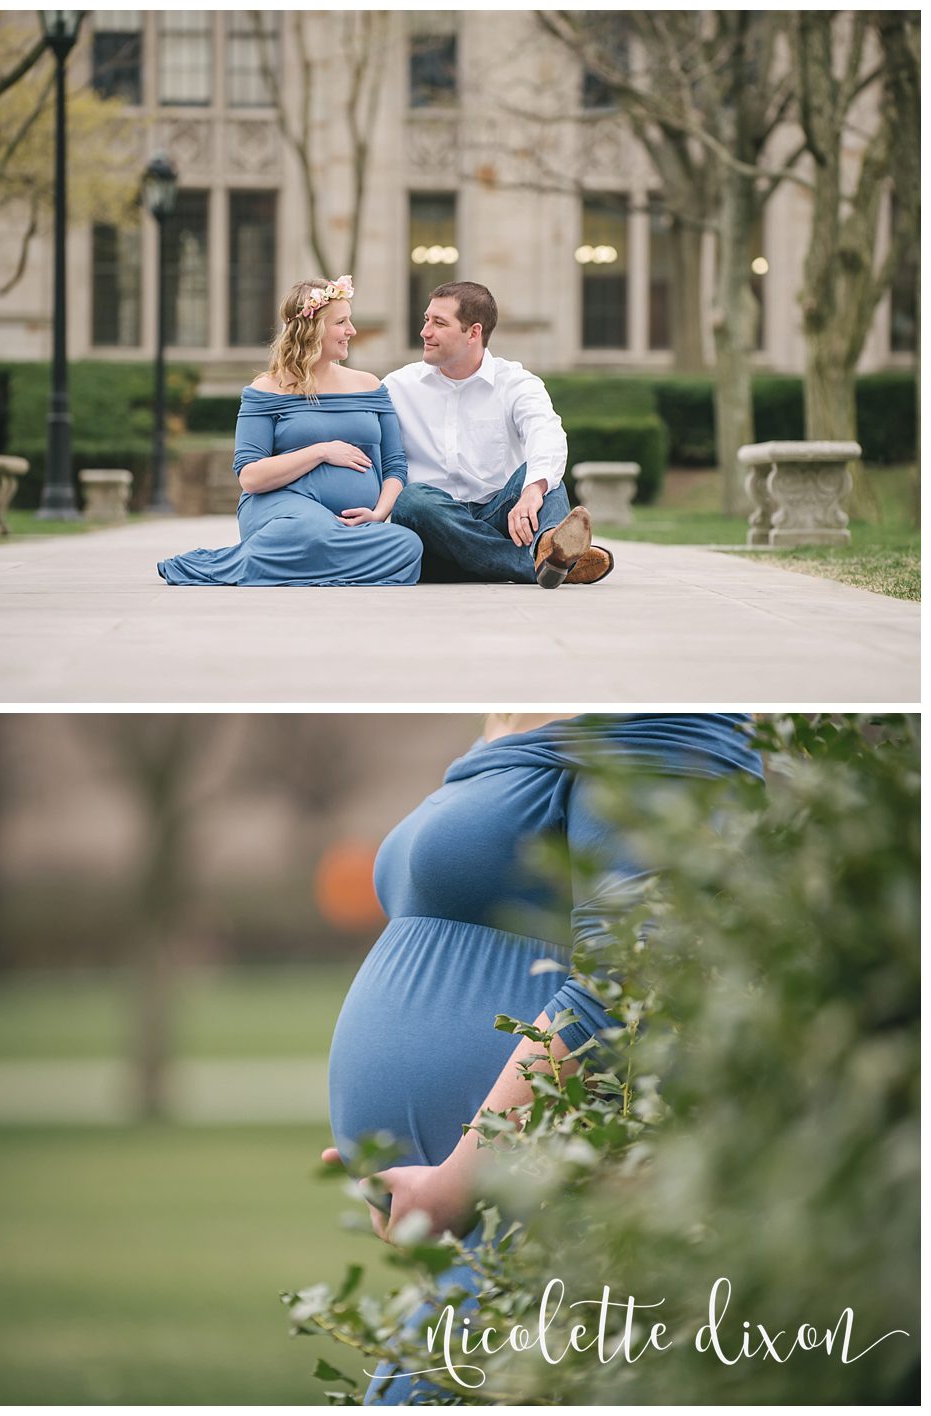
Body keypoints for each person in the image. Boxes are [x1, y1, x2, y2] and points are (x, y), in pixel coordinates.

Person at [324, 714, 762, 1403]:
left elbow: (637, 971)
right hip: (486, 1226)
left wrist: (461, 1175)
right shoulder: (506, 715)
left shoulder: (655, 706)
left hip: (564, 1207)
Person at [157, 276, 423, 587]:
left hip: (352, 522)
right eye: (341, 322)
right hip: (280, 509)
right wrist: (321, 451)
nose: (351, 331)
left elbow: (394, 466)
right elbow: (251, 477)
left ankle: (295, 562)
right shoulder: (266, 391)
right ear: (312, 329)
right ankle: (310, 558)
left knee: (407, 546)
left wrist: (379, 514)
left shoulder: (370, 386)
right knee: (310, 529)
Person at [383, 282, 613, 588]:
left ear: (473, 333)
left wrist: (532, 490)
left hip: (502, 517)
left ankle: (542, 547)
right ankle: (547, 564)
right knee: (412, 499)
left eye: (439, 323)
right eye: (426, 320)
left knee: (543, 477)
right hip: (432, 527)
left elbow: (547, 433)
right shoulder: (397, 387)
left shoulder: (516, 382)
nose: (425, 331)